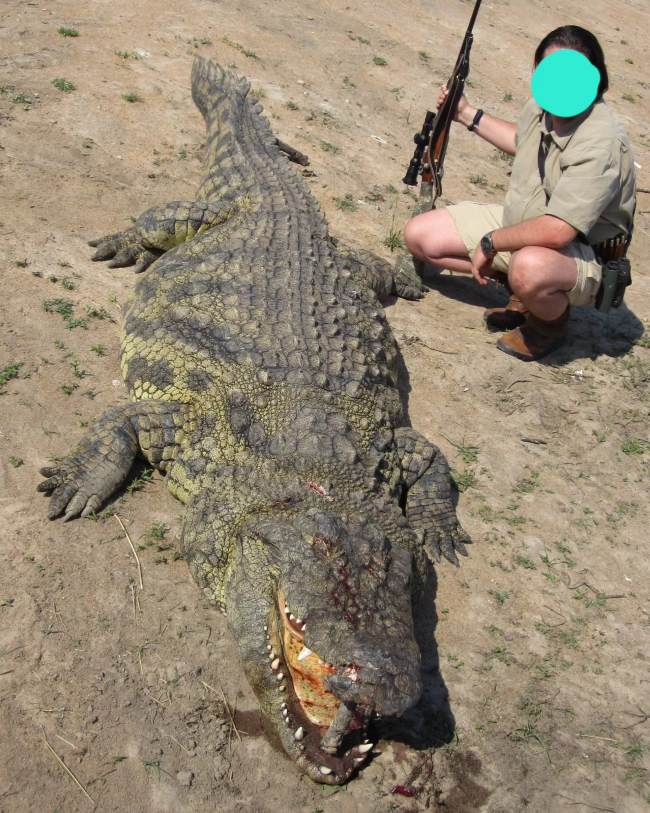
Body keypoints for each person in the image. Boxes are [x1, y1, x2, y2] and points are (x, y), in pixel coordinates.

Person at [403, 25, 637, 361]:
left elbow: (559, 230)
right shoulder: (547, 106)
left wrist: (491, 242)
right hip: (528, 225)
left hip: (580, 252)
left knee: (529, 266)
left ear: (595, 79)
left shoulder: (601, 142)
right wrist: (466, 114)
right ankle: (521, 290)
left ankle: (549, 325)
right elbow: (521, 140)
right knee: (420, 235)